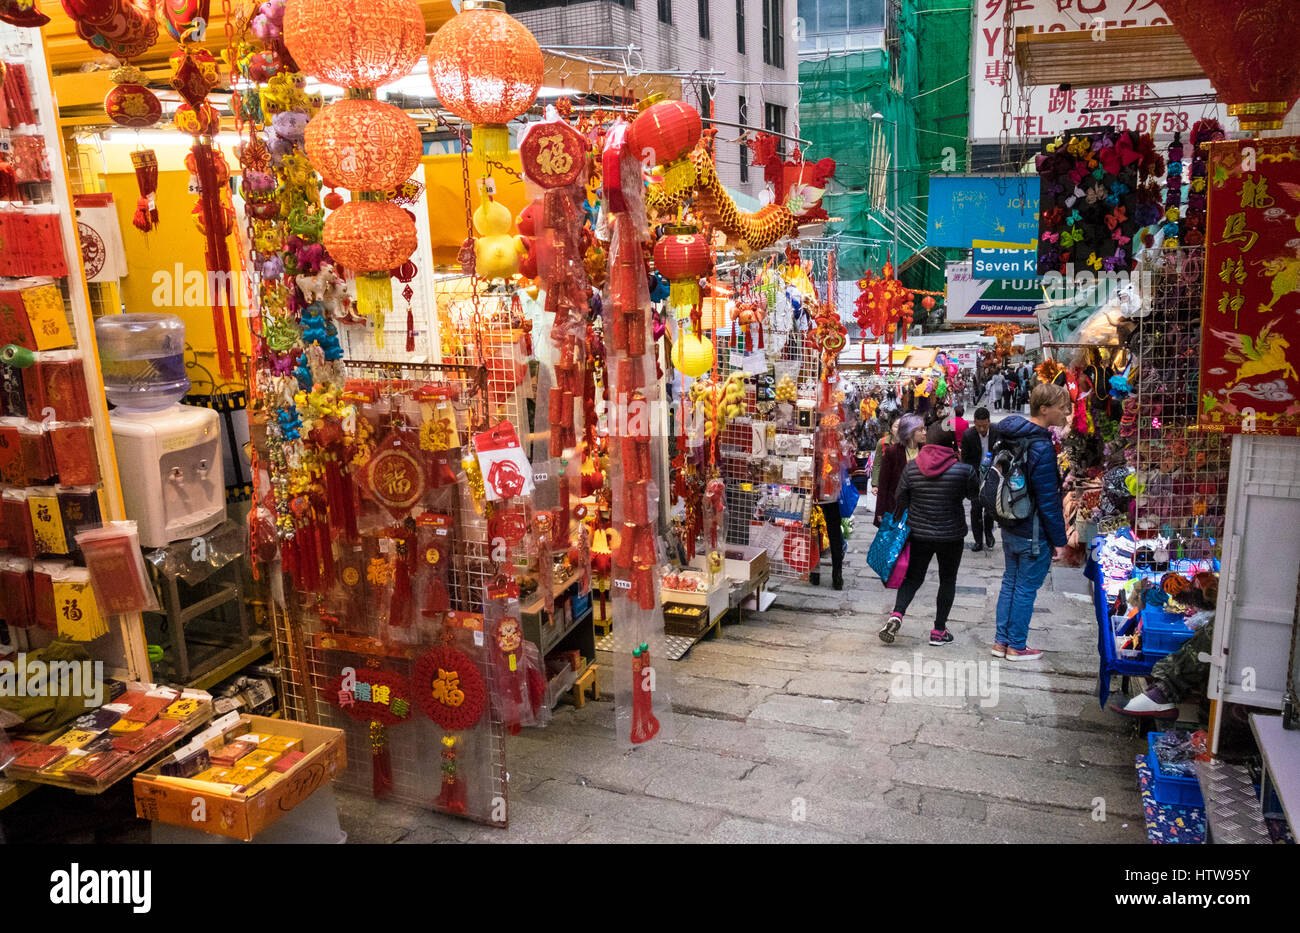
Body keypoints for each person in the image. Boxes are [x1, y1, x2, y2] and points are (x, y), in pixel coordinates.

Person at [879, 421, 979, 646]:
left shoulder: (912, 468)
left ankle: (897, 614)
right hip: (951, 535)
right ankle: (939, 631)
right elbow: (973, 495)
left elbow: (901, 499)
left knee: (913, 577)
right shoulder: (964, 470)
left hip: (919, 533)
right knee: (947, 580)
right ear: (953, 444)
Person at [991, 383, 1072, 662]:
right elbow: (1048, 500)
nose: (1066, 412)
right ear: (1044, 409)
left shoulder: (1010, 436)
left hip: (1011, 524)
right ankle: (1016, 645)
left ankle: (1001, 642)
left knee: (1010, 583)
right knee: (1025, 587)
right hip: (1033, 531)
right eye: (1062, 407)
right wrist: (1060, 542)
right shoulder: (1041, 447)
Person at [874, 413, 925, 528]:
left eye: (924, 429)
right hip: (897, 507)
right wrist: (880, 510)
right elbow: (884, 483)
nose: (924, 432)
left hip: (920, 508)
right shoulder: (892, 452)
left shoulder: (925, 450)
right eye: (920, 430)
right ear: (910, 431)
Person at [960, 407, 997, 551]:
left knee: (989, 508)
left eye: (984, 425)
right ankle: (978, 540)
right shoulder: (968, 435)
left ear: (989, 422)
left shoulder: (996, 432)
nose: (982, 429)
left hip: (992, 475)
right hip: (975, 476)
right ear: (974, 423)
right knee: (976, 509)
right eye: (978, 425)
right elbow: (966, 459)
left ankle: (988, 533)